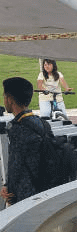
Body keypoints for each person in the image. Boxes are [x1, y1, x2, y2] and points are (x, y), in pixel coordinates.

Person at [1, 77, 45, 206]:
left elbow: (16, 163)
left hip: (26, 194)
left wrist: (8, 189)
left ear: (9, 99)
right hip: (43, 188)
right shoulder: (40, 123)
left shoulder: (18, 128)